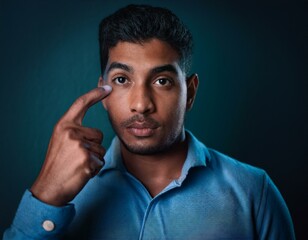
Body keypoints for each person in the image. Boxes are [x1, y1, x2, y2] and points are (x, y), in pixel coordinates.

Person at [4, 4, 295, 240]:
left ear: (190, 92)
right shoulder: (63, 194)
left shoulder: (254, 192)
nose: (141, 103)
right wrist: (45, 196)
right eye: (121, 79)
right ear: (102, 92)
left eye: (162, 80)